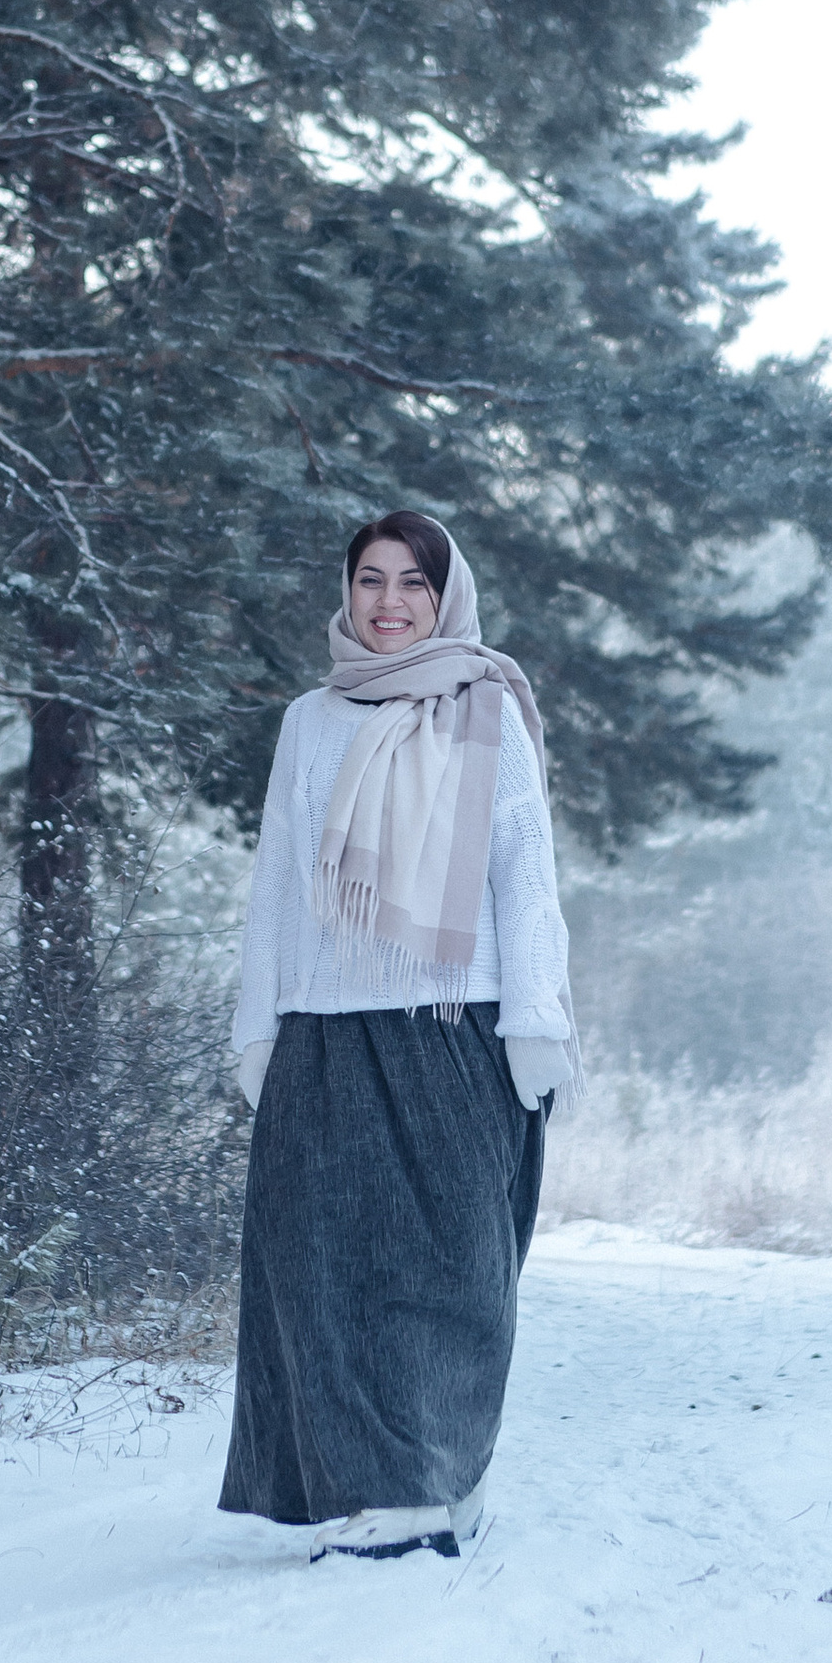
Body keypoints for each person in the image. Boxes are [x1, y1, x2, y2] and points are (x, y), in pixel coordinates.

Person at [219, 509, 579, 1561]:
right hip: (323, 1033)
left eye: (413, 582)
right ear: (347, 592)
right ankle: (379, 1488)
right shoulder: (309, 721)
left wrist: (536, 1022)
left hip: (452, 1030)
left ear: (444, 596)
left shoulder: (488, 710)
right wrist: (257, 1026)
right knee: (318, 1271)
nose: (389, 602)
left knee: (452, 1270)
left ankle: (439, 1480)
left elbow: (525, 874)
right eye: (370, 579)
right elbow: (278, 882)